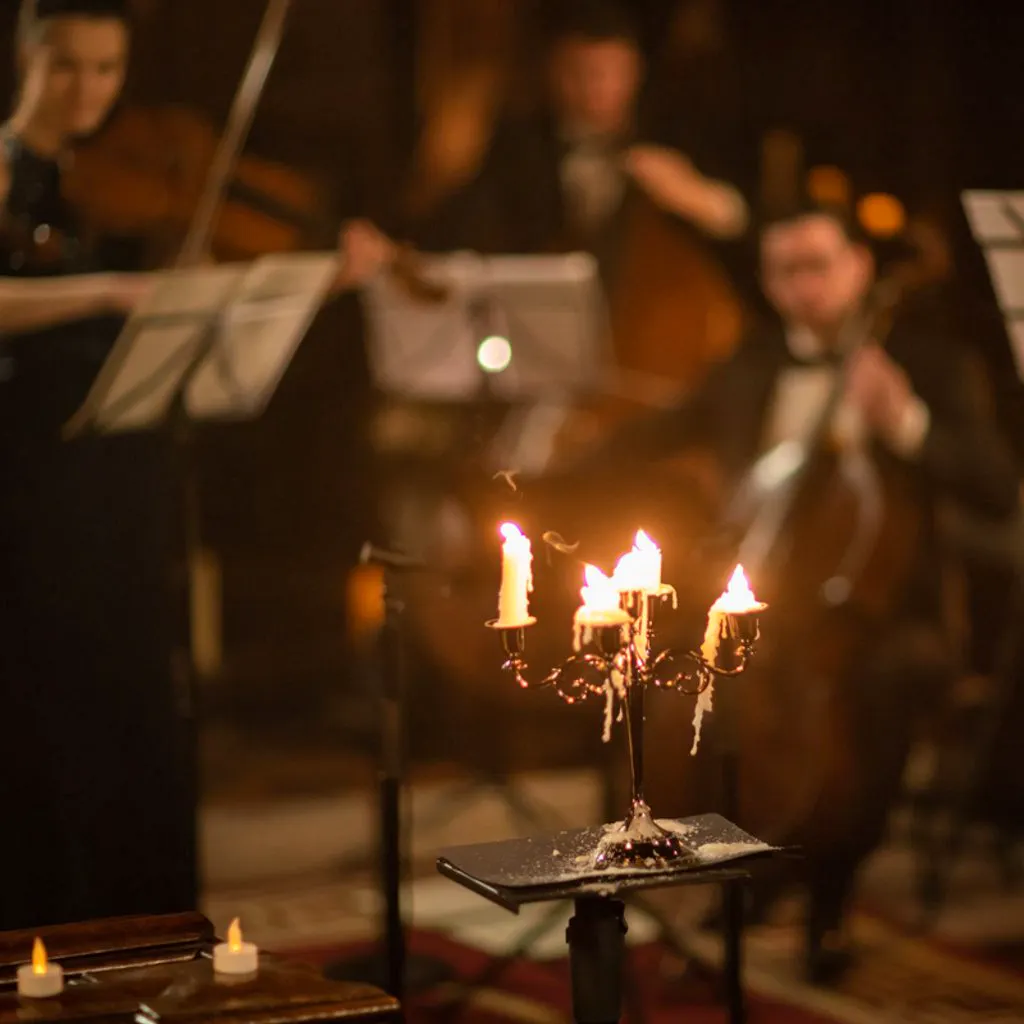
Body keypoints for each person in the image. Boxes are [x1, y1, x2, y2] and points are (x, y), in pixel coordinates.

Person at [560, 201, 1020, 980]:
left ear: (859, 268)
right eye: (784, 271)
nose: (803, 287)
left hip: (890, 610)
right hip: (761, 598)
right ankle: (735, 870)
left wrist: (906, 420)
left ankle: (829, 898)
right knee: (672, 688)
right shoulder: (753, 361)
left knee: (876, 688)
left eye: (818, 266)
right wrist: (567, 456)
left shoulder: (931, 362)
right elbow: (668, 426)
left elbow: (998, 488)